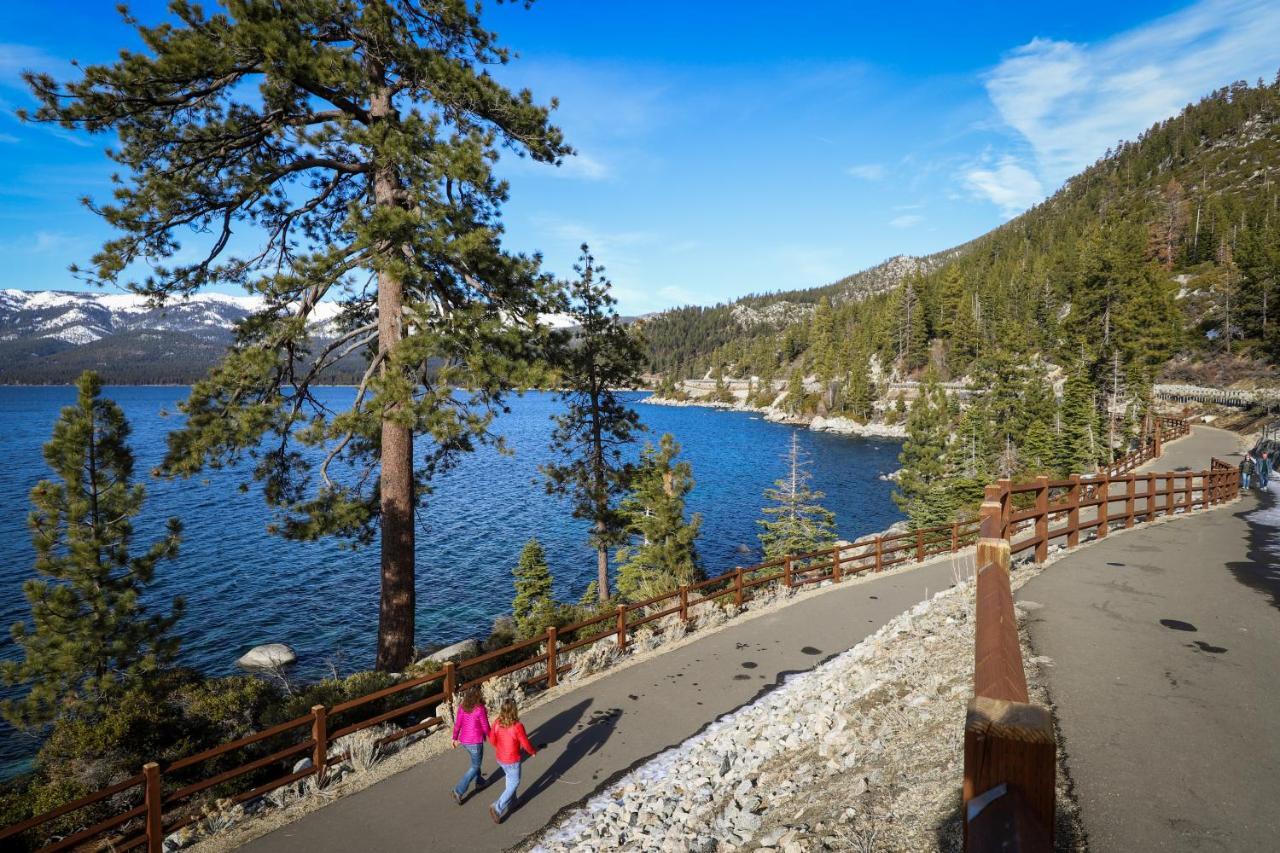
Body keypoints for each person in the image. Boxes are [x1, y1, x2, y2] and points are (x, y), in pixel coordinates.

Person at [488, 698, 537, 823]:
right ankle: (497, 807)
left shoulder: (497, 722)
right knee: (514, 782)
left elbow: (492, 739)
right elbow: (525, 742)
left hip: (500, 758)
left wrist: (500, 747)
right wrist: (532, 752)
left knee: (510, 779)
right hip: (512, 759)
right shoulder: (517, 726)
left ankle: (513, 802)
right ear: (514, 711)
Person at [451, 686, 490, 804]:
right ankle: (458, 790)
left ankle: (480, 782)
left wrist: (454, 738)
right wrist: (492, 736)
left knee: (475, 763)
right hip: (475, 742)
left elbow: (457, 724)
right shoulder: (480, 708)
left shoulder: (462, 707)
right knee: (475, 766)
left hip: (465, 742)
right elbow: (485, 726)